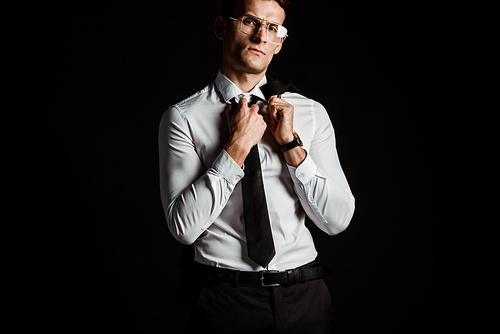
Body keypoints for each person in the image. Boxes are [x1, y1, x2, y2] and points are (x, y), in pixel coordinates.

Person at [158, 0, 355, 333]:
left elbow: (337, 220)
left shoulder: (309, 113)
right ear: (222, 27)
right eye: (250, 21)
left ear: (279, 43)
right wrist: (236, 148)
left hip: (306, 297)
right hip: (225, 300)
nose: (261, 36)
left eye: (273, 28)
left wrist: (292, 146)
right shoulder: (184, 118)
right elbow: (184, 228)